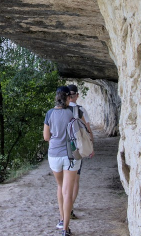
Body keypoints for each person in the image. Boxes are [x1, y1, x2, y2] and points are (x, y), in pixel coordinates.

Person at [44, 86, 78, 236]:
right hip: (69, 155)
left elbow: (46, 137)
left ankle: (61, 219)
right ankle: (65, 229)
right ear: (67, 98)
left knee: (60, 186)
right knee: (68, 191)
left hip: (54, 155)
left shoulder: (49, 113)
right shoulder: (71, 113)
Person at [67, 84, 94, 220]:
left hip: (61, 150)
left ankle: (65, 208)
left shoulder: (58, 110)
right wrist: (91, 146)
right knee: (75, 180)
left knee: (63, 182)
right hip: (76, 149)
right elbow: (87, 129)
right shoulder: (80, 110)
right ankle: (70, 206)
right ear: (76, 95)